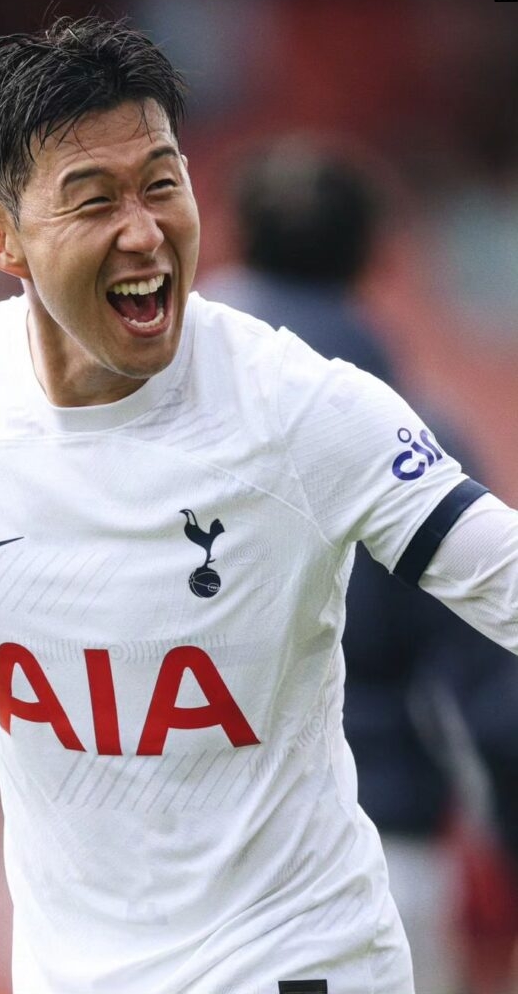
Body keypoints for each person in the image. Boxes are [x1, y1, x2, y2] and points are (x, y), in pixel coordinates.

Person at [0, 15, 517, 994]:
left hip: (298, 965)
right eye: (93, 200)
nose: (143, 229)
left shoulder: (300, 406)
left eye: (162, 184)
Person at [201, 134, 518, 994]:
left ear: (231, 239)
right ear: (376, 257)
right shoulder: (411, 435)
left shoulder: (139, 418)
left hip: (174, 866)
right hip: (371, 855)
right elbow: (493, 687)